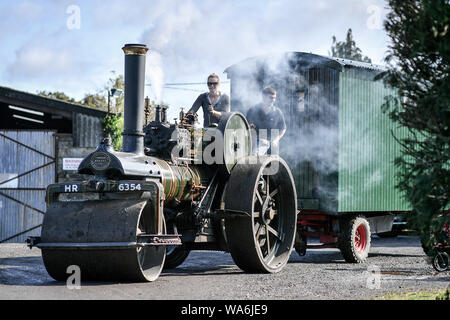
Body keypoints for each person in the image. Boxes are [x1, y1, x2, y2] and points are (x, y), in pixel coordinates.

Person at [246, 86, 286, 155]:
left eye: (274, 98)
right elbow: (246, 126)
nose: (273, 100)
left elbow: (283, 128)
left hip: (271, 147)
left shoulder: (277, 112)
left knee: (272, 164)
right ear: (263, 97)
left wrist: (276, 140)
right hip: (254, 145)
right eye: (270, 97)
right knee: (254, 160)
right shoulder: (253, 110)